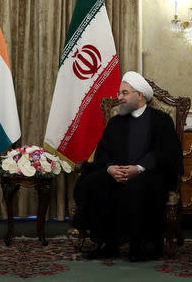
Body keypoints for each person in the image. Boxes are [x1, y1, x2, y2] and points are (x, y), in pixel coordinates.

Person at [73, 71, 183, 262]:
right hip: (117, 172)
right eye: (119, 94)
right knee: (94, 181)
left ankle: (140, 245)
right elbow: (103, 152)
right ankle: (107, 244)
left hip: (149, 174)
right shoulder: (116, 122)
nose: (119, 98)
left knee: (140, 185)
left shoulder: (161, 120)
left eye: (124, 93)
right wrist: (110, 168)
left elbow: (165, 153)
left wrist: (139, 168)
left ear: (139, 95)